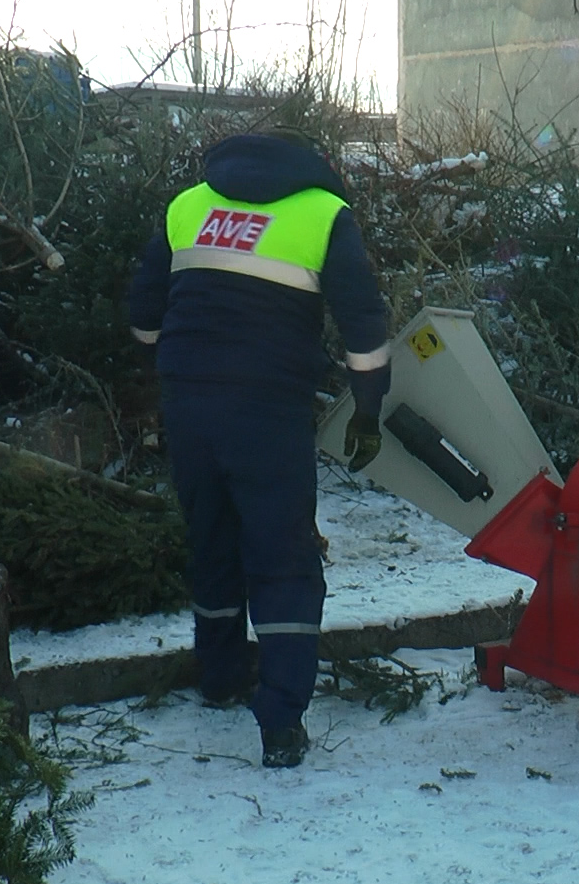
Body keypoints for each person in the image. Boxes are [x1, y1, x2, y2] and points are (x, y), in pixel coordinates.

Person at [128, 128, 390, 769]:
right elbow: (362, 322)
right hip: (269, 409)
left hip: (188, 401)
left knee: (211, 538)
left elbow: (142, 315)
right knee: (283, 557)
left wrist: (180, 363)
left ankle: (218, 677)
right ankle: (280, 722)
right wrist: (368, 407)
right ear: (317, 166)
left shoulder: (189, 205)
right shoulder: (325, 213)